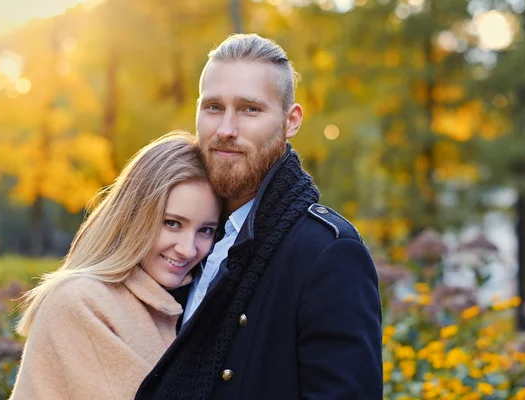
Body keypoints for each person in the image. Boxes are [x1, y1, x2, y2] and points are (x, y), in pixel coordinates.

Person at [135, 34, 382, 400]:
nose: (226, 129)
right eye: (214, 107)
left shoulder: (326, 253)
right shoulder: (188, 239)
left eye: (250, 109)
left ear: (291, 120)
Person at [10, 131, 221, 400]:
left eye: (206, 230)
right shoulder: (80, 301)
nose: (188, 249)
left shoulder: (194, 300)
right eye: (172, 223)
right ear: (134, 216)